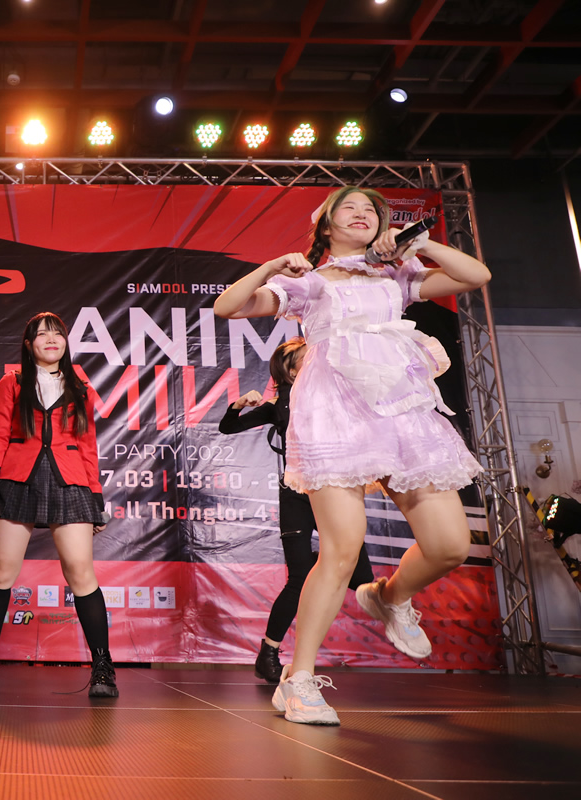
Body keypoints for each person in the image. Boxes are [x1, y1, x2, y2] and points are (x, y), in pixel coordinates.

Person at [214, 186, 489, 725]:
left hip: (401, 410)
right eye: (350, 208)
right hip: (334, 412)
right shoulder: (309, 281)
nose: (363, 214)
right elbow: (228, 306)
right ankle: (297, 680)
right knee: (340, 550)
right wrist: (272, 266)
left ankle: (389, 596)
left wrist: (421, 244)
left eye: (372, 210)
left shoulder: (397, 275)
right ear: (326, 224)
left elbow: (476, 276)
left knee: (450, 545)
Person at [0, 312, 116, 698]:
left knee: (81, 572)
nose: (52, 339)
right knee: (1, 571)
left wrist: (96, 499)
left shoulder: (80, 385)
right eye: (42, 334)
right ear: (29, 344)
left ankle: (103, 668)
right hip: (18, 480)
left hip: (70, 481)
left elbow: (88, 444)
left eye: (58, 333)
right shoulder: (12, 382)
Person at [218, 337, 373, 683]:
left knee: (361, 579)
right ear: (290, 371)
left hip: (334, 491)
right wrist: (238, 405)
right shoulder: (279, 404)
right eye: (307, 357)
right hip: (296, 495)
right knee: (299, 577)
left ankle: (328, 567)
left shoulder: (335, 396)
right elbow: (228, 427)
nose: (317, 360)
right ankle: (269, 653)